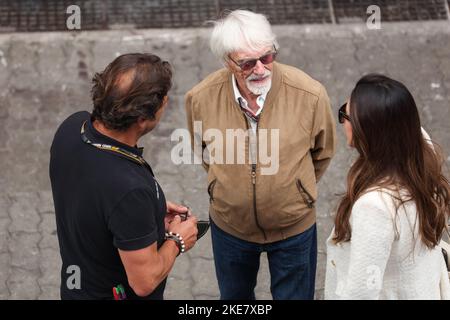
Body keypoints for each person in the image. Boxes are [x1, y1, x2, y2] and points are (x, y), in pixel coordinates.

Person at [185, 10, 336, 300]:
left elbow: (323, 151)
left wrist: (294, 190)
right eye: (247, 63)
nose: (261, 69)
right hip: (230, 227)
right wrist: (230, 186)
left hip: (294, 228)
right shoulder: (200, 98)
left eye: (267, 57)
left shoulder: (310, 94)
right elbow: (203, 150)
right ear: (227, 62)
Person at [50, 53, 198, 300]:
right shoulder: (129, 190)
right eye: (164, 100)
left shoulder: (72, 127)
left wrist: (149, 211)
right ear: (142, 119)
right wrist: (177, 240)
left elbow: (97, 202)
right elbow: (144, 281)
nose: (166, 102)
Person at [325, 74, 450, 299]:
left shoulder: (374, 207)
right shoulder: (420, 147)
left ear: (369, 132)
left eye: (346, 115)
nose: (343, 121)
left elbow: (362, 292)